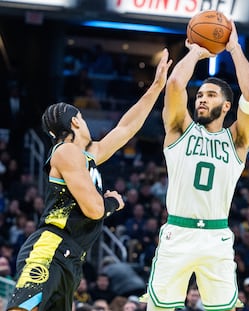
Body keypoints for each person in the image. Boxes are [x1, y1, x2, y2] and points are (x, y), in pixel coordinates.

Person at [6, 48, 172, 311]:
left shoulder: (86, 155)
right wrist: (113, 203)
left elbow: (126, 128)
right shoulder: (67, 152)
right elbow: (94, 210)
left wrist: (156, 87)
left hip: (71, 256)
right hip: (51, 249)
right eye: (82, 118)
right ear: (75, 121)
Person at [145, 19, 249, 311]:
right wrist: (196, 51)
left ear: (226, 107)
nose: (201, 99)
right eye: (199, 95)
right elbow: (174, 84)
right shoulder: (179, 129)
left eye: (210, 96)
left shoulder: (237, 139)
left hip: (216, 237)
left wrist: (233, 48)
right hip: (178, 231)